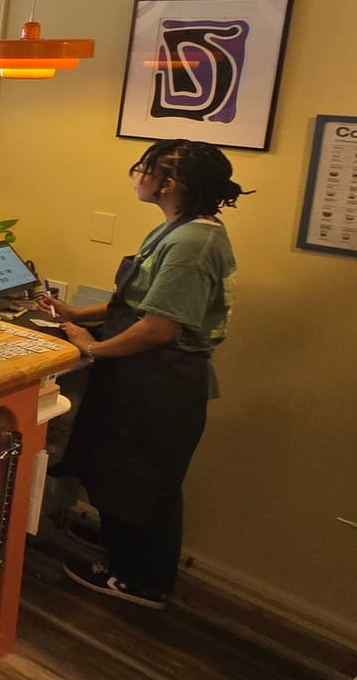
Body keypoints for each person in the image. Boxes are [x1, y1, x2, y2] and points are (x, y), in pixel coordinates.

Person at [46, 141, 245, 608]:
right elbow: (136, 302)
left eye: (143, 169)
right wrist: (77, 312)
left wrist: (91, 346)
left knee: (144, 482)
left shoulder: (193, 244)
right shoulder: (182, 229)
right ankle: (124, 557)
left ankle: (140, 580)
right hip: (139, 375)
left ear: (169, 183)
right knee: (121, 473)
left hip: (161, 381)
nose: (137, 177)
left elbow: (157, 328)